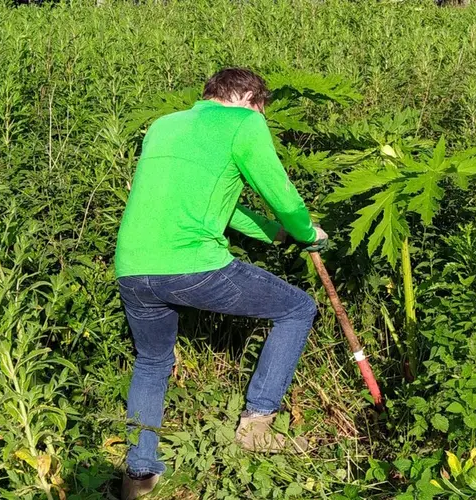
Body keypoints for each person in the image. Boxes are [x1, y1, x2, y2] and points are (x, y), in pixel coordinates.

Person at [113, 68, 328, 500]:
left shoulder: (163, 126)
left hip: (132, 267)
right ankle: (257, 426)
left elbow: (215, 205)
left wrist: (271, 232)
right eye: (261, 109)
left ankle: (140, 474)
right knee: (296, 308)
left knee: (152, 361)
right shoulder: (244, 123)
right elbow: (281, 192)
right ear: (250, 98)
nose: (261, 118)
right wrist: (306, 233)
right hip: (192, 264)